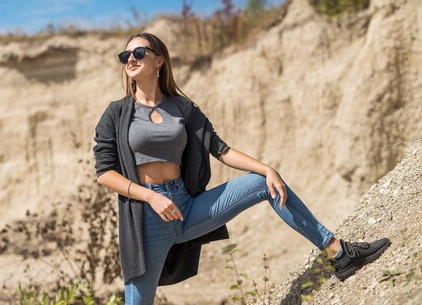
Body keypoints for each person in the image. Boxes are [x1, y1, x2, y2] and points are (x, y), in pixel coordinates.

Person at [92, 32, 390, 305]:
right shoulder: (116, 113)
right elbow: (104, 172)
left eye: (139, 52)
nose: (130, 59)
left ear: (159, 60)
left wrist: (267, 169)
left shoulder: (183, 108)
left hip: (187, 207)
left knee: (265, 183)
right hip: (148, 219)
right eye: (125, 55)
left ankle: (338, 251)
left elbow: (220, 149)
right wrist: (149, 196)